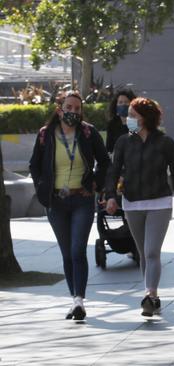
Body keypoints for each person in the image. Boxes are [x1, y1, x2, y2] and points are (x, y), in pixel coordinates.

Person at [105, 97, 174, 317]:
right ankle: (152, 298)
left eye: (133, 115)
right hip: (132, 203)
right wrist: (111, 196)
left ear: (145, 118)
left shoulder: (165, 142)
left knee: (152, 251)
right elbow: (114, 171)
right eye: (129, 115)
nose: (128, 119)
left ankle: (149, 292)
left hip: (160, 203)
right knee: (143, 253)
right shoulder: (123, 142)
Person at [29, 91, 111, 321]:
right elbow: (34, 165)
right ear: (59, 109)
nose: (73, 111)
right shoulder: (46, 135)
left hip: (82, 199)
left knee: (77, 250)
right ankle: (73, 298)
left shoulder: (87, 132)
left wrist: (95, 183)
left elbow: (104, 161)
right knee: (66, 253)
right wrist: (42, 188)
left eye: (77, 108)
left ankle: (79, 300)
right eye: (69, 107)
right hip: (56, 202)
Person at [105, 89, 136, 154]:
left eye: (126, 102)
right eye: (120, 102)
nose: (123, 105)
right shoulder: (112, 124)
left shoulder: (136, 122)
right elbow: (109, 148)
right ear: (116, 106)